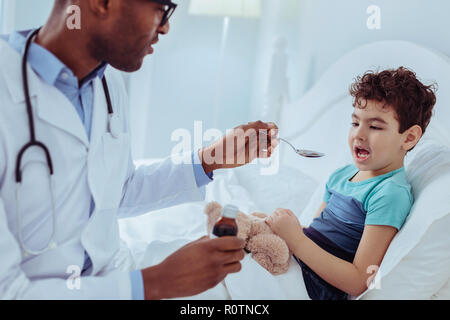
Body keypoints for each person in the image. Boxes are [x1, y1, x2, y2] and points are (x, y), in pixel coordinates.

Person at [0, 0, 279, 299]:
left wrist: (208, 161)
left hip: (114, 274)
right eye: (162, 7)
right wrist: (153, 283)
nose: (166, 26)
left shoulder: (107, 82)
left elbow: (116, 191)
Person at [266, 67, 437, 300]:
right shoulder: (341, 174)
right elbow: (315, 235)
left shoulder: (389, 193)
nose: (359, 134)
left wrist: (295, 239)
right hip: (298, 265)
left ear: (408, 138)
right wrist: (280, 229)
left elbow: (358, 281)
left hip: (314, 287)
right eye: (355, 123)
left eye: (375, 126)